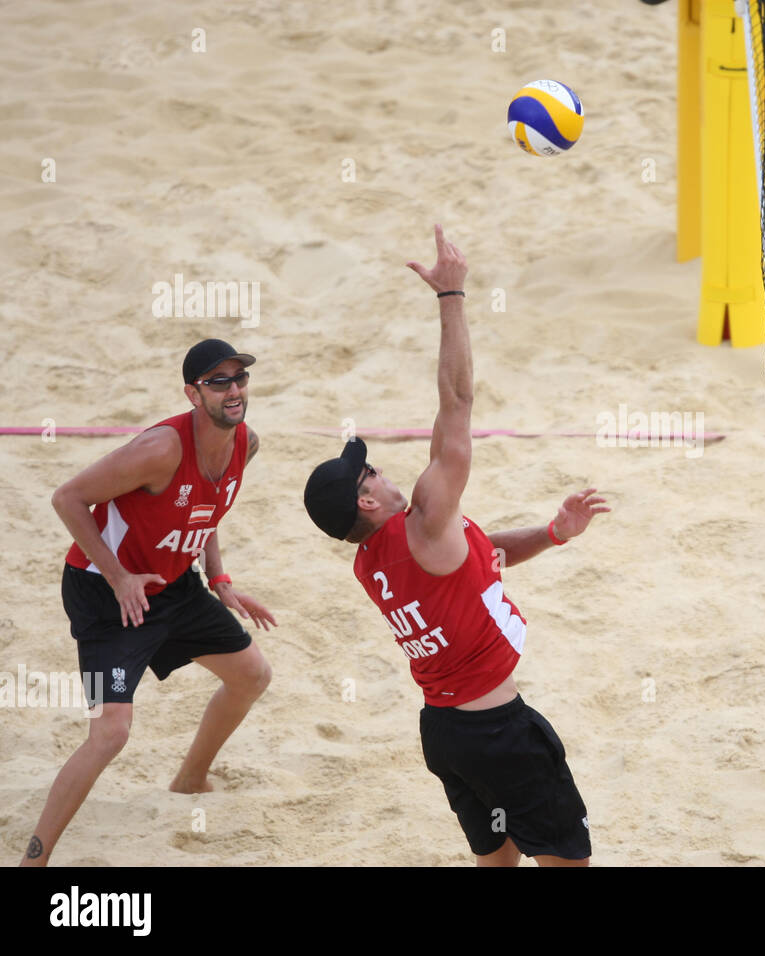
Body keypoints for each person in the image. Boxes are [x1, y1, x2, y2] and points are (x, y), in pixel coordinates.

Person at [304, 225, 608, 867]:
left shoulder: (377, 559)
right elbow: (458, 400)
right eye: (371, 473)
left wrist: (552, 534)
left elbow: (480, 557)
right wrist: (452, 296)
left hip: (445, 735)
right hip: (500, 735)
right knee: (569, 861)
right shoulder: (423, 522)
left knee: (496, 863)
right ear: (365, 500)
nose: (382, 471)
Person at [21, 339, 276, 866]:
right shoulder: (161, 450)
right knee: (111, 733)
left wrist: (219, 576)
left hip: (174, 584)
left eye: (240, 378)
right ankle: (34, 860)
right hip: (104, 594)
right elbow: (67, 498)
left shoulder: (244, 443)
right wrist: (117, 577)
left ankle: (189, 778)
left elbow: (207, 512)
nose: (234, 390)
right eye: (219, 381)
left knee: (251, 674)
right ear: (192, 393)